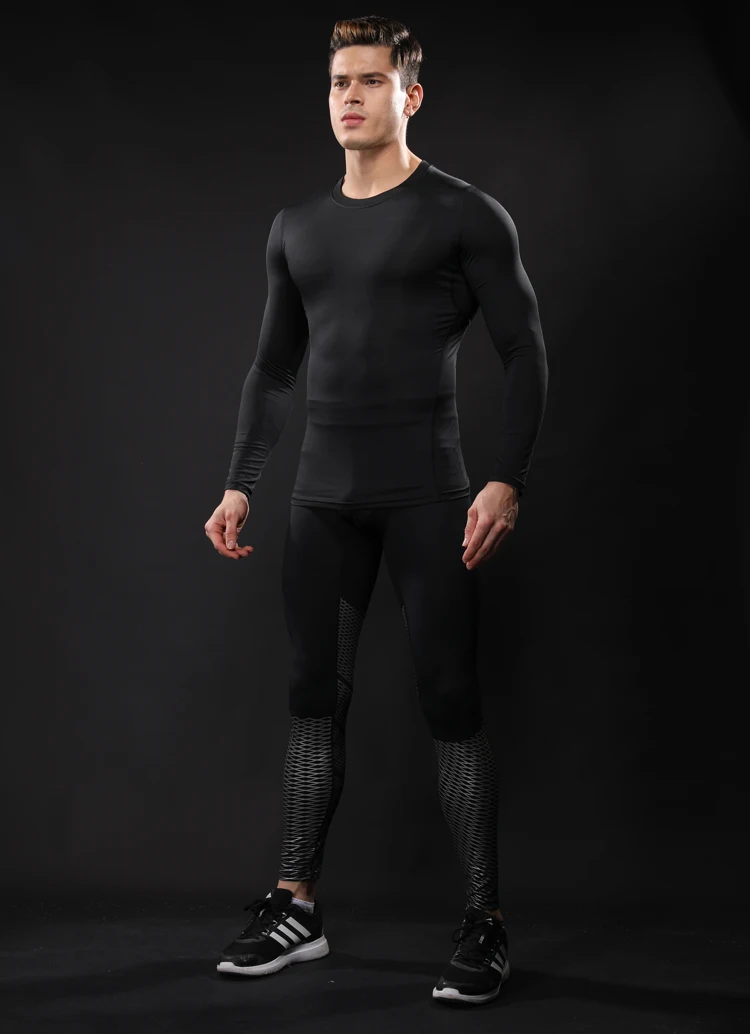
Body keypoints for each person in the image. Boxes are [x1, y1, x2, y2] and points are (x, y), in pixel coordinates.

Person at [204, 14, 548, 1007]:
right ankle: (296, 906)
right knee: (313, 699)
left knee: (450, 700)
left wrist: (508, 476)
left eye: (368, 80)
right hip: (322, 501)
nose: (349, 97)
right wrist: (241, 479)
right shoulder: (296, 227)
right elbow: (274, 368)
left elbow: (525, 349)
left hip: (429, 499)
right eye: (338, 82)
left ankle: (484, 921)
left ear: (411, 95)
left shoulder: (464, 215)